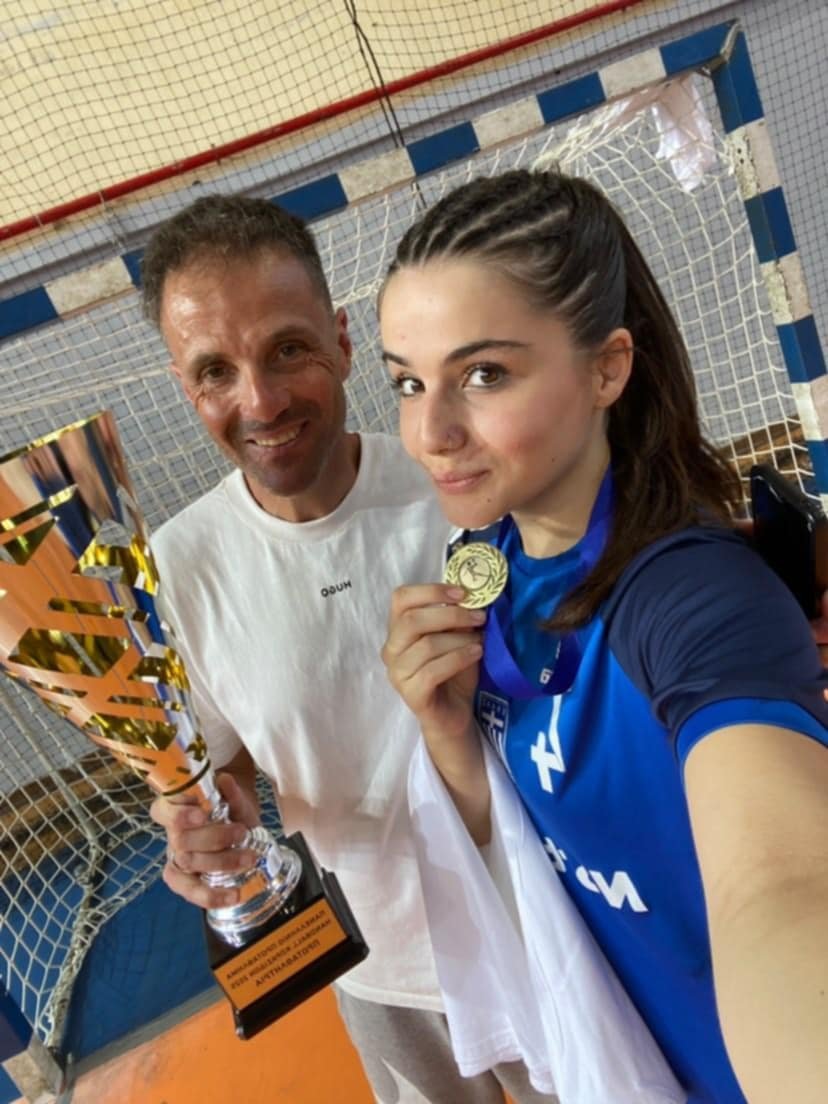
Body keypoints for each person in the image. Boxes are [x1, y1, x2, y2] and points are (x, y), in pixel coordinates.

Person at [379, 169, 828, 1104]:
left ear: (607, 369)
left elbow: (782, 887)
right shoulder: (489, 564)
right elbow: (522, 846)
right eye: (409, 382)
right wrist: (448, 737)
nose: (430, 432)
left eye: (484, 374)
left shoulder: (694, 598)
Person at [141, 194, 557, 1104]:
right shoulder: (173, 570)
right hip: (375, 965)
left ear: (340, 338)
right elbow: (218, 767)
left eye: (288, 349)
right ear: (184, 385)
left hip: (544, 929)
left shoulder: (458, 480)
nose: (261, 400)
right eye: (216, 370)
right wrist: (201, 829)